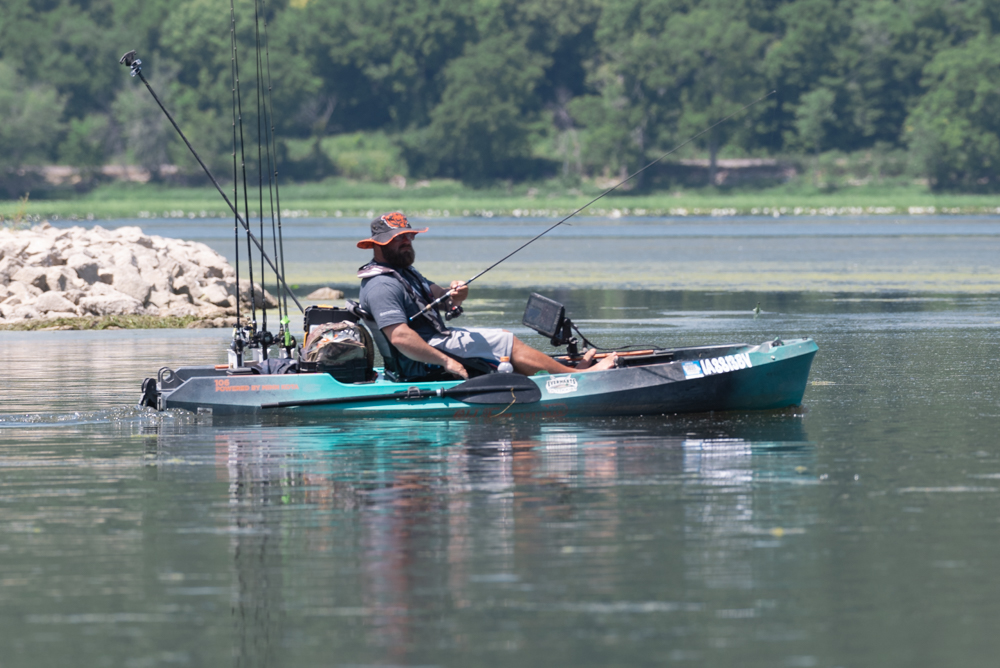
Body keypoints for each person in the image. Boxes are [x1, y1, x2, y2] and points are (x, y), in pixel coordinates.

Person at [357, 212, 618, 380]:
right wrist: (447, 362)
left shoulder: (403, 272)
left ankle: (559, 371)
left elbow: (441, 296)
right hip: (424, 355)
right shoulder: (382, 285)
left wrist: (457, 294)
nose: (407, 242)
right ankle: (573, 377)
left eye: (409, 236)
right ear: (378, 245)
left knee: (501, 337)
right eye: (398, 239)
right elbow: (400, 337)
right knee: (506, 341)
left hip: (435, 340)